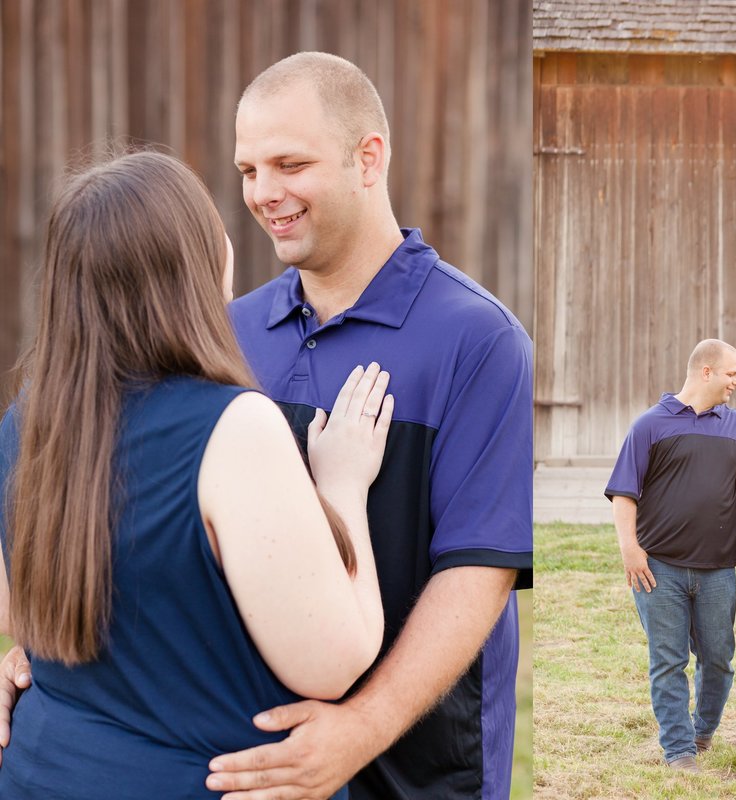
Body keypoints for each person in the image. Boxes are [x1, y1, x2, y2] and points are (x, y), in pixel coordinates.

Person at [1, 51, 533, 800]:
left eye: (289, 164)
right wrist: (46, 656)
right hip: (247, 758)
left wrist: (361, 730)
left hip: (416, 766)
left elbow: (480, 571)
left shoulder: (480, 340)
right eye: (249, 171)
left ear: (368, 157)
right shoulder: (226, 330)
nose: (264, 193)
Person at [0, 151, 391, 798]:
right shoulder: (235, 427)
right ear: (194, 265)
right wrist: (343, 486)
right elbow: (336, 660)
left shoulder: (24, 424)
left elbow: (19, 609)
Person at [604, 339, 736, 772]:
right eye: (732, 373)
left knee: (718, 658)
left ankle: (702, 730)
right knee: (668, 660)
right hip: (659, 570)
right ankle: (679, 750)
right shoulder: (650, 425)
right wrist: (630, 550)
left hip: (717, 570)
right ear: (706, 371)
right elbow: (623, 493)